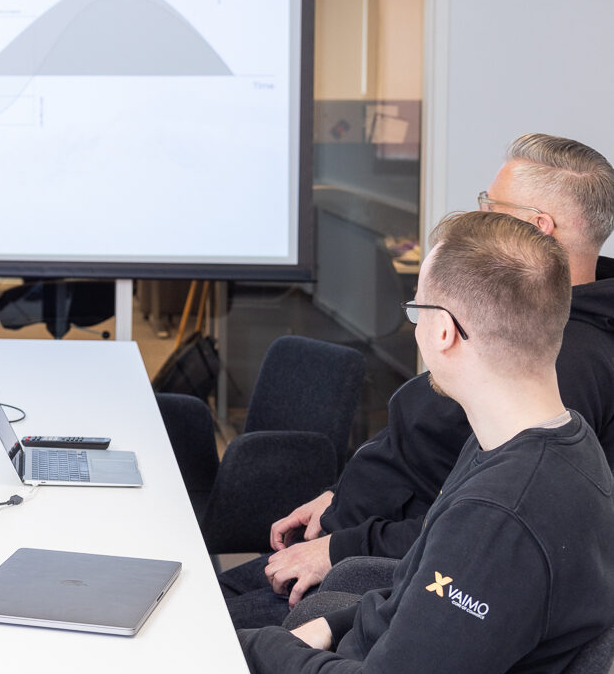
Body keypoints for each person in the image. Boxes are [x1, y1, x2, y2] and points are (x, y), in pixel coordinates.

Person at [241, 210, 614, 674]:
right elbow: (423, 599)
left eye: (416, 309)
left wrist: (261, 647)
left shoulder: (500, 517)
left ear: (443, 330)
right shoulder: (547, 442)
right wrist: (330, 626)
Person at [225, 133, 614, 626]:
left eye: (492, 206)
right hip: (350, 532)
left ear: (539, 229)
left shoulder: (554, 359)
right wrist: (338, 498)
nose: (481, 216)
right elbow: (429, 456)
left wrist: (339, 550)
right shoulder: (526, 323)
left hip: (364, 575)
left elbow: (475, 523)